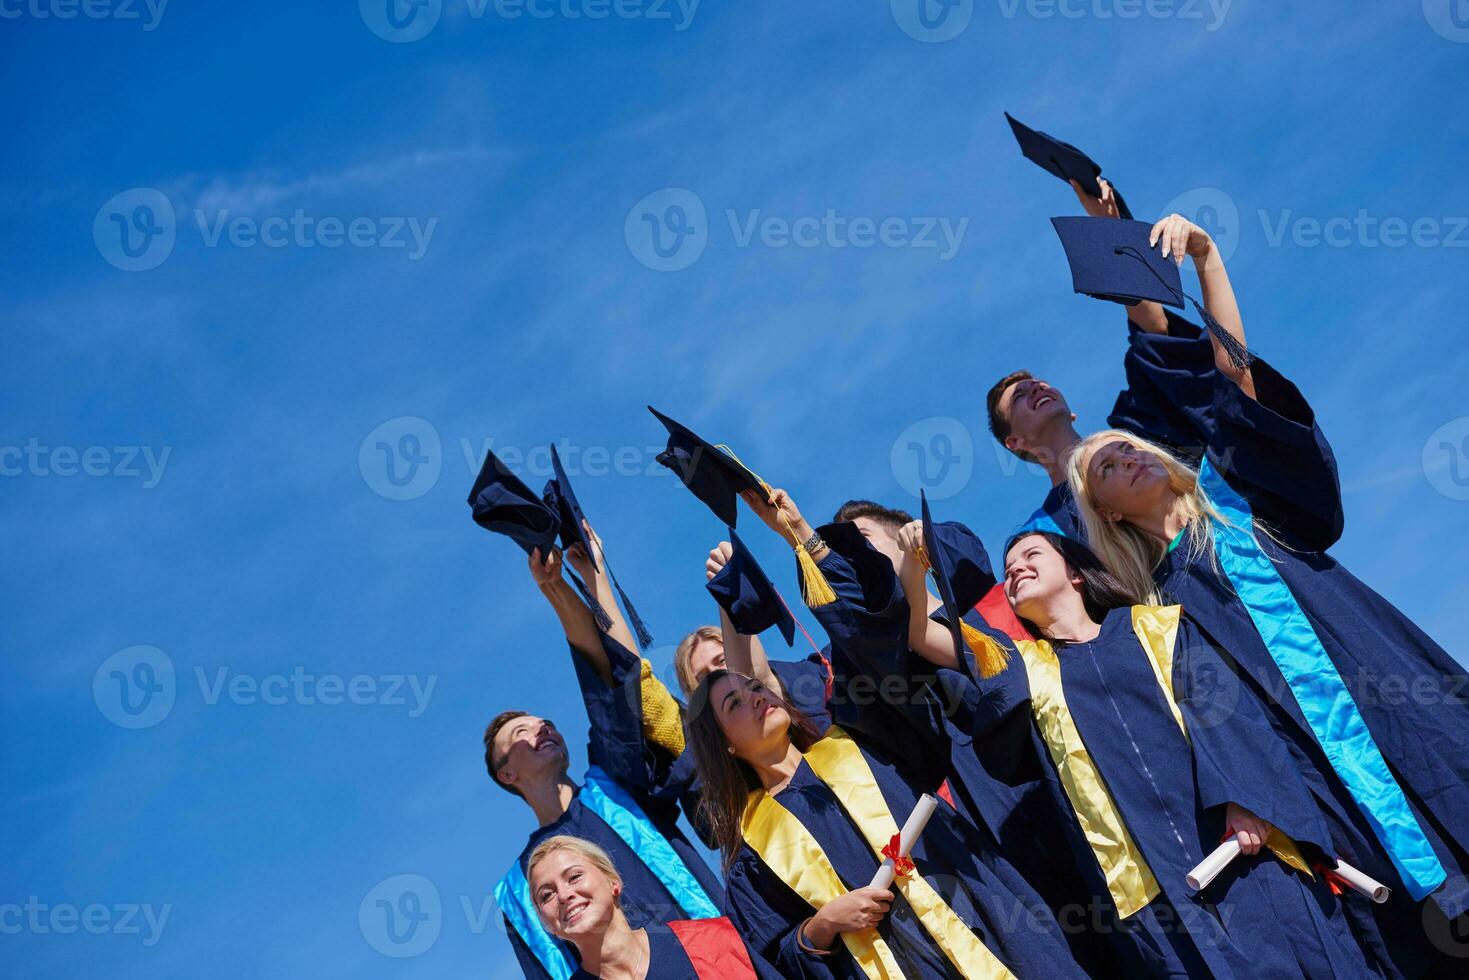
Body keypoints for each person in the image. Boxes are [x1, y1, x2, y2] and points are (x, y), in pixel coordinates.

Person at [1066, 213, 1469, 966]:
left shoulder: (1238, 495)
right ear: (1108, 513)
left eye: (1130, 447)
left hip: (1391, 699)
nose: (1126, 459)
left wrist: (1210, 262)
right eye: (1107, 470)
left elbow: (1235, 382)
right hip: (1320, 775)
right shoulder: (1158, 607)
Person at [923, 525, 1381, 977]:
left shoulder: (1156, 627)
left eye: (1031, 555)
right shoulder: (1028, 670)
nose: (1017, 569)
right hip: (1153, 894)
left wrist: (1245, 800)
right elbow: (928, 636)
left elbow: (1223, 713)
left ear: (1076, 573)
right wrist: (908, 563)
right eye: (1008, 570)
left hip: (1242, 847)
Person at [686, 669, 1088, 979]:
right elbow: (777, 958)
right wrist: (822, 925)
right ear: (726, 746)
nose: (756, 698)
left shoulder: (861, 743)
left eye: (756, 686)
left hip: (984, 919)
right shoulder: (753, 855)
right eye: (734, 703)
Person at [486, 531, 724, 979]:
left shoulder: (613, 787)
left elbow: (613, 681)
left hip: (714, 958)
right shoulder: (519, 891)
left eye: (546, 723)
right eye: (522, 733)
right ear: (507, 774)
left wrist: (559, 586)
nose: (542, 729)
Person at [985, 182, 1227, 543]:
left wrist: (1110, 231)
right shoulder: (1047, 534)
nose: (1036, 387)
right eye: (1019, 397)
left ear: (1072, 412)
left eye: (1038, 383)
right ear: (1014, 442)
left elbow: (1156, 337)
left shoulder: (1138, 442)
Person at [527, 835, 779, 979]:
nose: (564, 895)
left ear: (613, 881)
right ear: (549, 926)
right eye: (546, 895)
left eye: (574, 877)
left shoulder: (712, 939)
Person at [670, 540, 832, 733]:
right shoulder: (703, 758)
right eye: (703, 677)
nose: (718, 673)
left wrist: (730, 588)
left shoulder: (820, 672)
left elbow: (751, 673)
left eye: (722, 659)